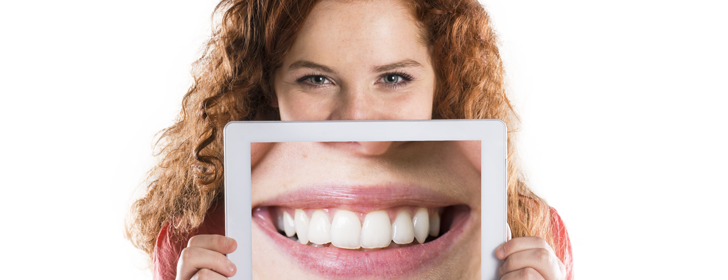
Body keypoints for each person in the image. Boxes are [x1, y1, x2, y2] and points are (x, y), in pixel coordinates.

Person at [125, 0, 573, 279]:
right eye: (315, 79)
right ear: (265, 90)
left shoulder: (528, 241)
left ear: (446, 85)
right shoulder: (203, 243)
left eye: (394, 78)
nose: (360, 127)